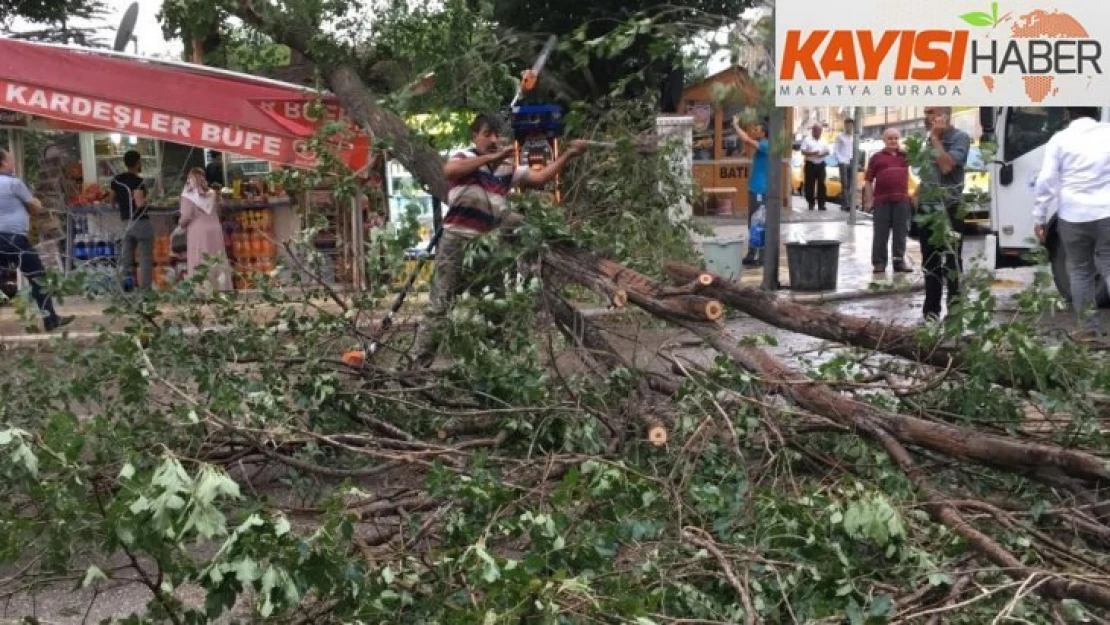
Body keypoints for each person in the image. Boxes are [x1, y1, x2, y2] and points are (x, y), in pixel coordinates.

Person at [411, 112, 587, 368]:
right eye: (487, 135)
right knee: (440, 304)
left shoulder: (507, 168)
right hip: (455, 241)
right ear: (475, 136)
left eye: (496, 135)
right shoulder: (466, 156)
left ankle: (499, 366)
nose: (493, 140)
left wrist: (569, 154)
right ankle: (418, 365)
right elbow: (450, 171)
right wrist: (492, 157)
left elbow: (540, 178)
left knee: (495, 308)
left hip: (486, 246)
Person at [1032, 106, 1110, 339]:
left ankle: (1088, 329)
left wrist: (1040, 217)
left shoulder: (1059, 139)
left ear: (1067, 114)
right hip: (1107, 211)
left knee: (1080, 270)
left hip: (1073, 216)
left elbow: (1045, 181)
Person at [0, 149, 73, 332]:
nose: (13, 163)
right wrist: (37, 205)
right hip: (16, 238)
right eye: (10, 159)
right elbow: (34, 207)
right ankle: (51, 319)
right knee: (37, 277)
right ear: (3, 163)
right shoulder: (14, 183)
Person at [917, 106, 971, 322]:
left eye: (931, 112)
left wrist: (936, 138)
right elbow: (926, 171)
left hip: (950, 207)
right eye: (926, 112)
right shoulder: (927, 139)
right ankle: (931, 312)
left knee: (952, 262)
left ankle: (955, 312)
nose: (926, 117)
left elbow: (947, 166)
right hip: (928, 208)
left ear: (943, 116)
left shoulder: (960, 138)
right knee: (930, 262)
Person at [864, 128, 913, 275]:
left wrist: (906, 152)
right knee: (880, 234)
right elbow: (868, 180)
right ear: (884, 140)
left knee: (900, 233)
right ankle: (879, 263)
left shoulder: (905, 157)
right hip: (881, 201)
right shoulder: (876, 157)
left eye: (896, 138)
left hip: (902, 200)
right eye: (890, 138)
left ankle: (899, 262)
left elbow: (920, 161)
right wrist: (869, 200)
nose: (893, 141)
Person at [176, 167, 232, 293]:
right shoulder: (212, 193)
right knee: (216, 257)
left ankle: (203, 289)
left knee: (199, 258)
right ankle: (221, 287)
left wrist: (180, 225)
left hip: (198, 231)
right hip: (215, 229)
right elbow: (219, 210)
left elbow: (186, 216)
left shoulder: (188, 195)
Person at [111, 150, 154, 292]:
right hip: (140, 222)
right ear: (137, 163)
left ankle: (122, 289)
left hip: (126, 223)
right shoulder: (138, 181)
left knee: (126, 259)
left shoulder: (116, 180)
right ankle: (145, 290)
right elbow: (140, 203)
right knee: (145, 259)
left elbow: (112, 200)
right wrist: (149, 199)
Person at [732, 115, 769, 266]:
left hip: (760, 189)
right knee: (756, 221)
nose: (755, 131)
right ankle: (755, 253)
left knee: (757, 221)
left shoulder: (766, 145)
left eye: (757, 129)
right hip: (757, 188)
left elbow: (746, 139)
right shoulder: (764, 144)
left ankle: (758, 255)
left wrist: (735, 126)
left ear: (764, 132)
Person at [800, 123, 830, 210]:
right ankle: (811, 202)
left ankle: (821, 204)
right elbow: (803, 151)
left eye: (820, 131)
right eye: (817, 131)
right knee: (809, 184)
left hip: (821, 164)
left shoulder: (824, 140)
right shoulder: (807, 140)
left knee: (822, 184)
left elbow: (828, 151)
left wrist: (822, 154)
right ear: (813, 131)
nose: (819, 133)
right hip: (810, 164)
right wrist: (812, 153)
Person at [834, 119, 856, 212]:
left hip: (852, 162)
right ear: (845, 125)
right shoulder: (840, 137)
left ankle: (849, 204)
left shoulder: (855, 137)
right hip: (843, 162)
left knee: (851, 184)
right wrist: (840, 160)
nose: (849, 127)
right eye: (847, 125)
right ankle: (845, 205)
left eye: (851, 125)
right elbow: (836, 150)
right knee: (845, 184)